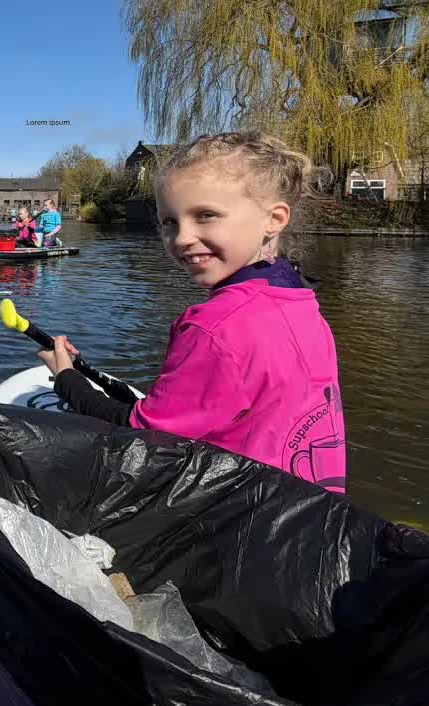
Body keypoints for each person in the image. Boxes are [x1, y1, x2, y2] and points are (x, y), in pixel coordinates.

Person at [37, 131, 346, 493]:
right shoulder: (302, 301)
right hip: (310, 513)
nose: (181, 238)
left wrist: (67, 379)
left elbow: (144, 435)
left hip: (239, 524)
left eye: (206, 215)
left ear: (274, 219)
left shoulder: (214, 327)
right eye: (169, 222)